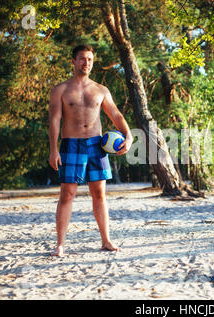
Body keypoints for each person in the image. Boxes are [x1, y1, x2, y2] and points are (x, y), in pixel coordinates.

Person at [48, 44, 133, 256]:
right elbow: (54, 121)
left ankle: (106, 240)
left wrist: (129, 137)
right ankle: (60, 244)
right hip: (71, 145)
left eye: (90, 60)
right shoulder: (60, 90)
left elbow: (116, 115)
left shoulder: (101, 90)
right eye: (82, 59)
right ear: (73, 61)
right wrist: (53, 149)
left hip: (97, 145)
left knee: (99, 194)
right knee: (67, 194)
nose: (86, 63)